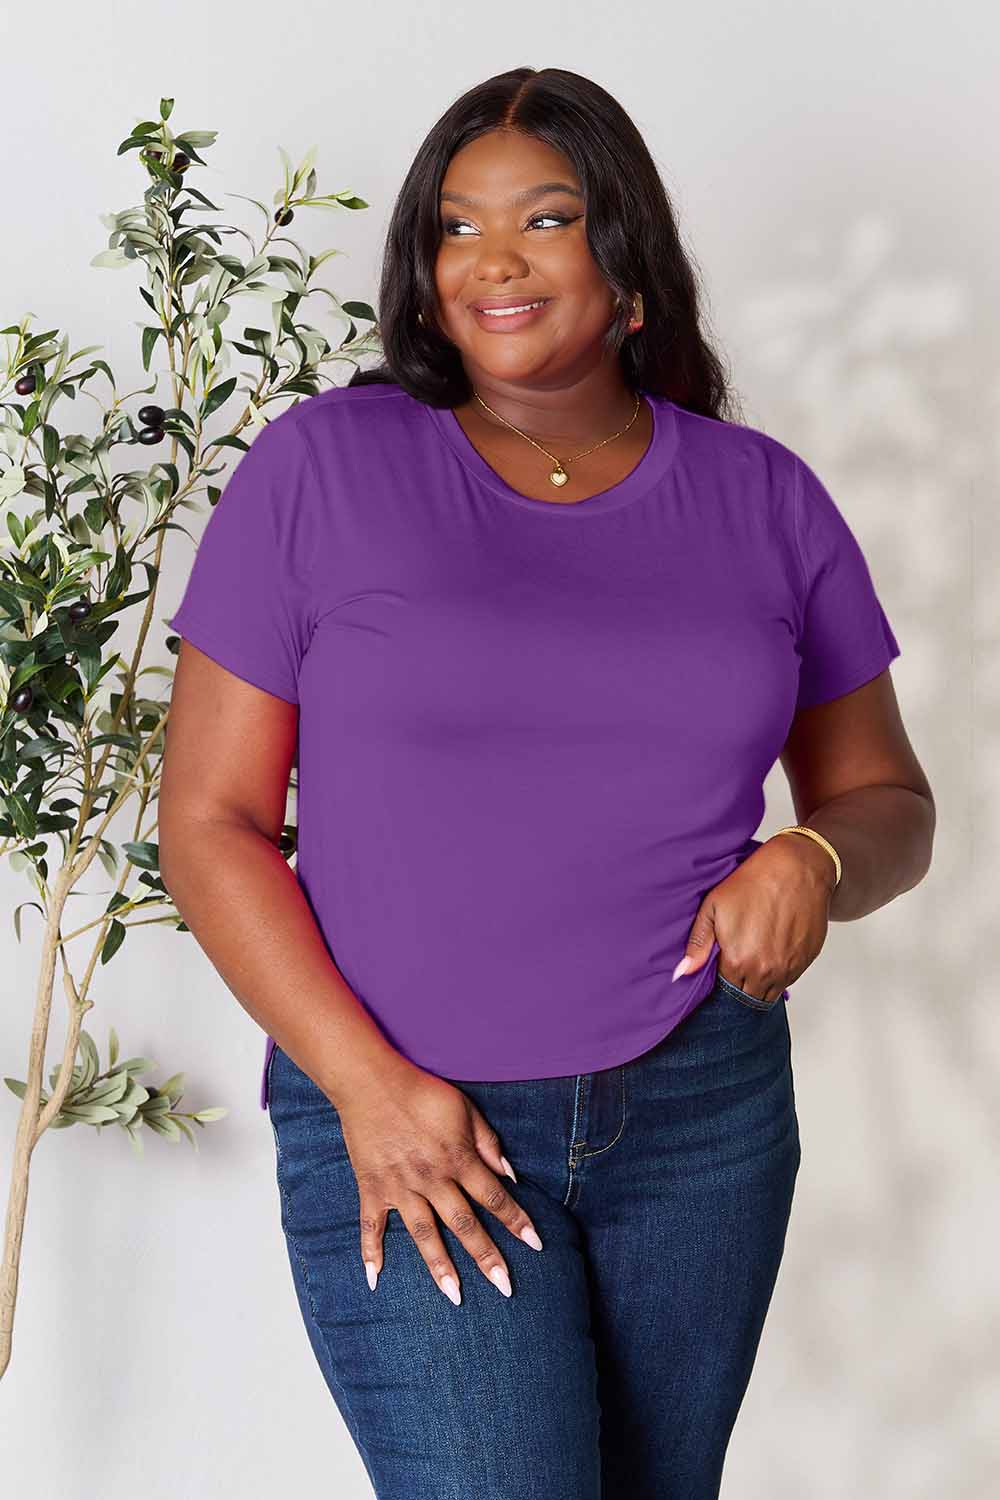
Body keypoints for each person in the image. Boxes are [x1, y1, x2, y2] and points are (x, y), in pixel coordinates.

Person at [160, 65, 935, 1500]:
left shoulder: (763, 500)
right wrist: (368, 1090)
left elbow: (888, 798)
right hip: (407, 1109)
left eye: (547, 217)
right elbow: (206, 824)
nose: (494, 259)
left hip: (699, 1114)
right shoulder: (324, 469)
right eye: (457, 228)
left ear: (628, 261)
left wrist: (810, 863)